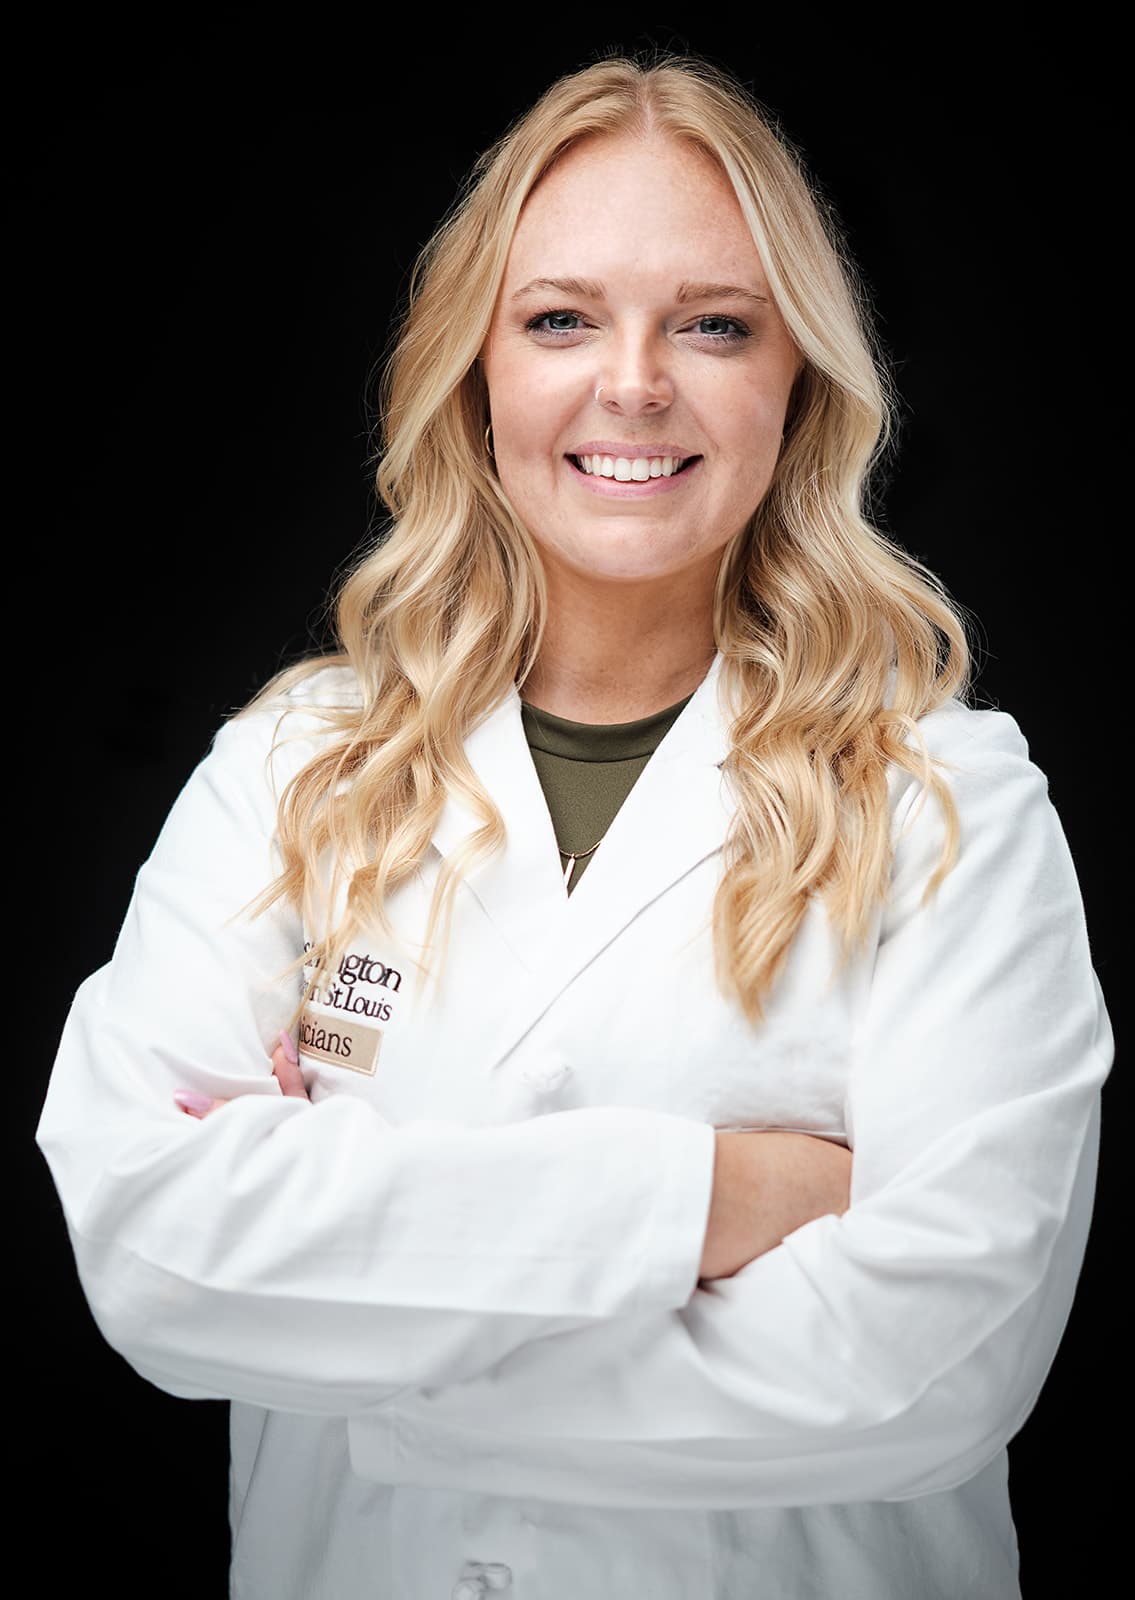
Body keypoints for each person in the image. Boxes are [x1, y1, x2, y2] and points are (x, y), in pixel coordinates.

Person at [37, 53, 1110, 1600]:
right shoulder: (288, 772)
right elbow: (149, 1246)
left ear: (795, 378)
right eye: (561, 318)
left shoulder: (948, 800)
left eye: (715, 325)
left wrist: (370, 1337)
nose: (634, 382)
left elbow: (933, 1370)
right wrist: (727, 1197)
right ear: (474, 368)